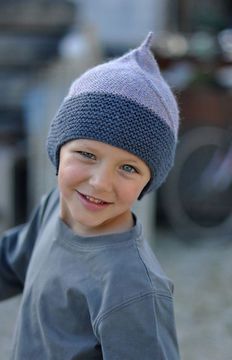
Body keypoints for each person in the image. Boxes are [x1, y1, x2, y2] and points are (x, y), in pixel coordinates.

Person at [0, 32, 180, 359]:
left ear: (148, 181)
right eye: (87, 154)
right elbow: (11, 263)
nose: (99, 183)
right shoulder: (56, 208)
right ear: (58, 150)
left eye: (128, 168)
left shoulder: (133, 288)